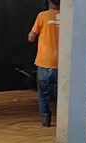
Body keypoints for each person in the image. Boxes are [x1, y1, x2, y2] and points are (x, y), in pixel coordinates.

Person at [28, 0, 60, 128]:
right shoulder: (68, 18)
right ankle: (63, 122)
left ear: (49, 2)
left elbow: (31, 37)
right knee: (61, 95)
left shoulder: (42, 16)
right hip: (62, 64)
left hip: (44, 62)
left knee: (43, 95)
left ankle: (46, 122)